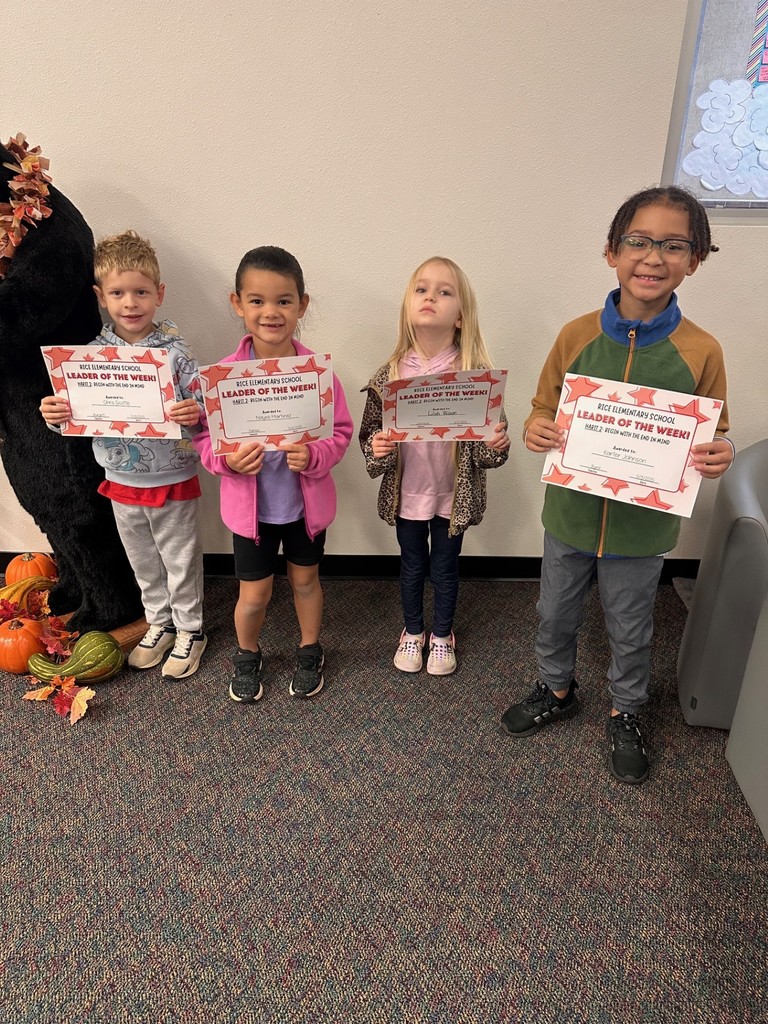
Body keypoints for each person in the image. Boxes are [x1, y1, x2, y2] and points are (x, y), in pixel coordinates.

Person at [500, 185, 733, 784]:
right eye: (638, 241)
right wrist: (535, 427)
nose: (653, 257)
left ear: (694, 260)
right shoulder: (575, 335)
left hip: (642, 527)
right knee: (554, 612)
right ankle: (555, 688)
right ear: (612, 251)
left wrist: (721, 452)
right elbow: (543, 407)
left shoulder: (701, 350)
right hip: (570, 515)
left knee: (631, 628)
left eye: (673, 245)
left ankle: (625, 709)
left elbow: (716, 432)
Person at [40, 230, 207, 678]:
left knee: (180, 558)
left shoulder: (177, 352)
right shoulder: (88, 359)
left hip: (172, 475)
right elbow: (73, 417)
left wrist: (194, 411)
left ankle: (191, 629)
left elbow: (206, 408)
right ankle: (159, 622)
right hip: (120, 478)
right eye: (117, 293)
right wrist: (55, 414)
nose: (130, 303)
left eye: (140, 292)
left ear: (159, 294)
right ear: (101, 297)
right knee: (143, 560)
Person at [194, 246, 352, 704]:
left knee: (305, 582)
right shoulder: (224, 378)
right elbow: (204, 439)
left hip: (304, 510)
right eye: (257, 300)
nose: (271, 312)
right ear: (237, 304)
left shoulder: (318, 374)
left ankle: (310, 649)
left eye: (284, 300)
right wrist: (228, 462)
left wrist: (314, 456)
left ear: (302, 305)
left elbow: (340, 433)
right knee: (254, 594)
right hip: (252, 515)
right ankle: (247, 654)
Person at [360, 257, 509, 676]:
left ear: (460, 316)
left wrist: (495, 444)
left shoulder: (475, 375)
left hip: (452, 495)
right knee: (412, 565)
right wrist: (378, 447)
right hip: (408, 492)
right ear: (409, 306)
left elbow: (491, 451)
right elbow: (368, 436)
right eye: (421, 289)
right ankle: (412, 630)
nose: (431, 297)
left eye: (445, 292)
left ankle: (442, 634)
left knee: (444, 566)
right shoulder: (388, 376)